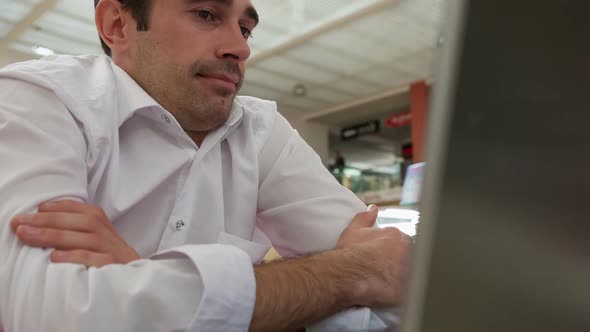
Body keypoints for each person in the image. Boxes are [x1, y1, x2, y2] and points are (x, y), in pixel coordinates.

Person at [0, 0, 410, 331]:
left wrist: (139, 283)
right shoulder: (37, 100)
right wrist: (345, 275)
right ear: (118, 25)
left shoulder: (261, 131)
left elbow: (398, 294)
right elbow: (52, 316)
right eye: (206, 14)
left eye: (245, 28)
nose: (241, 47)